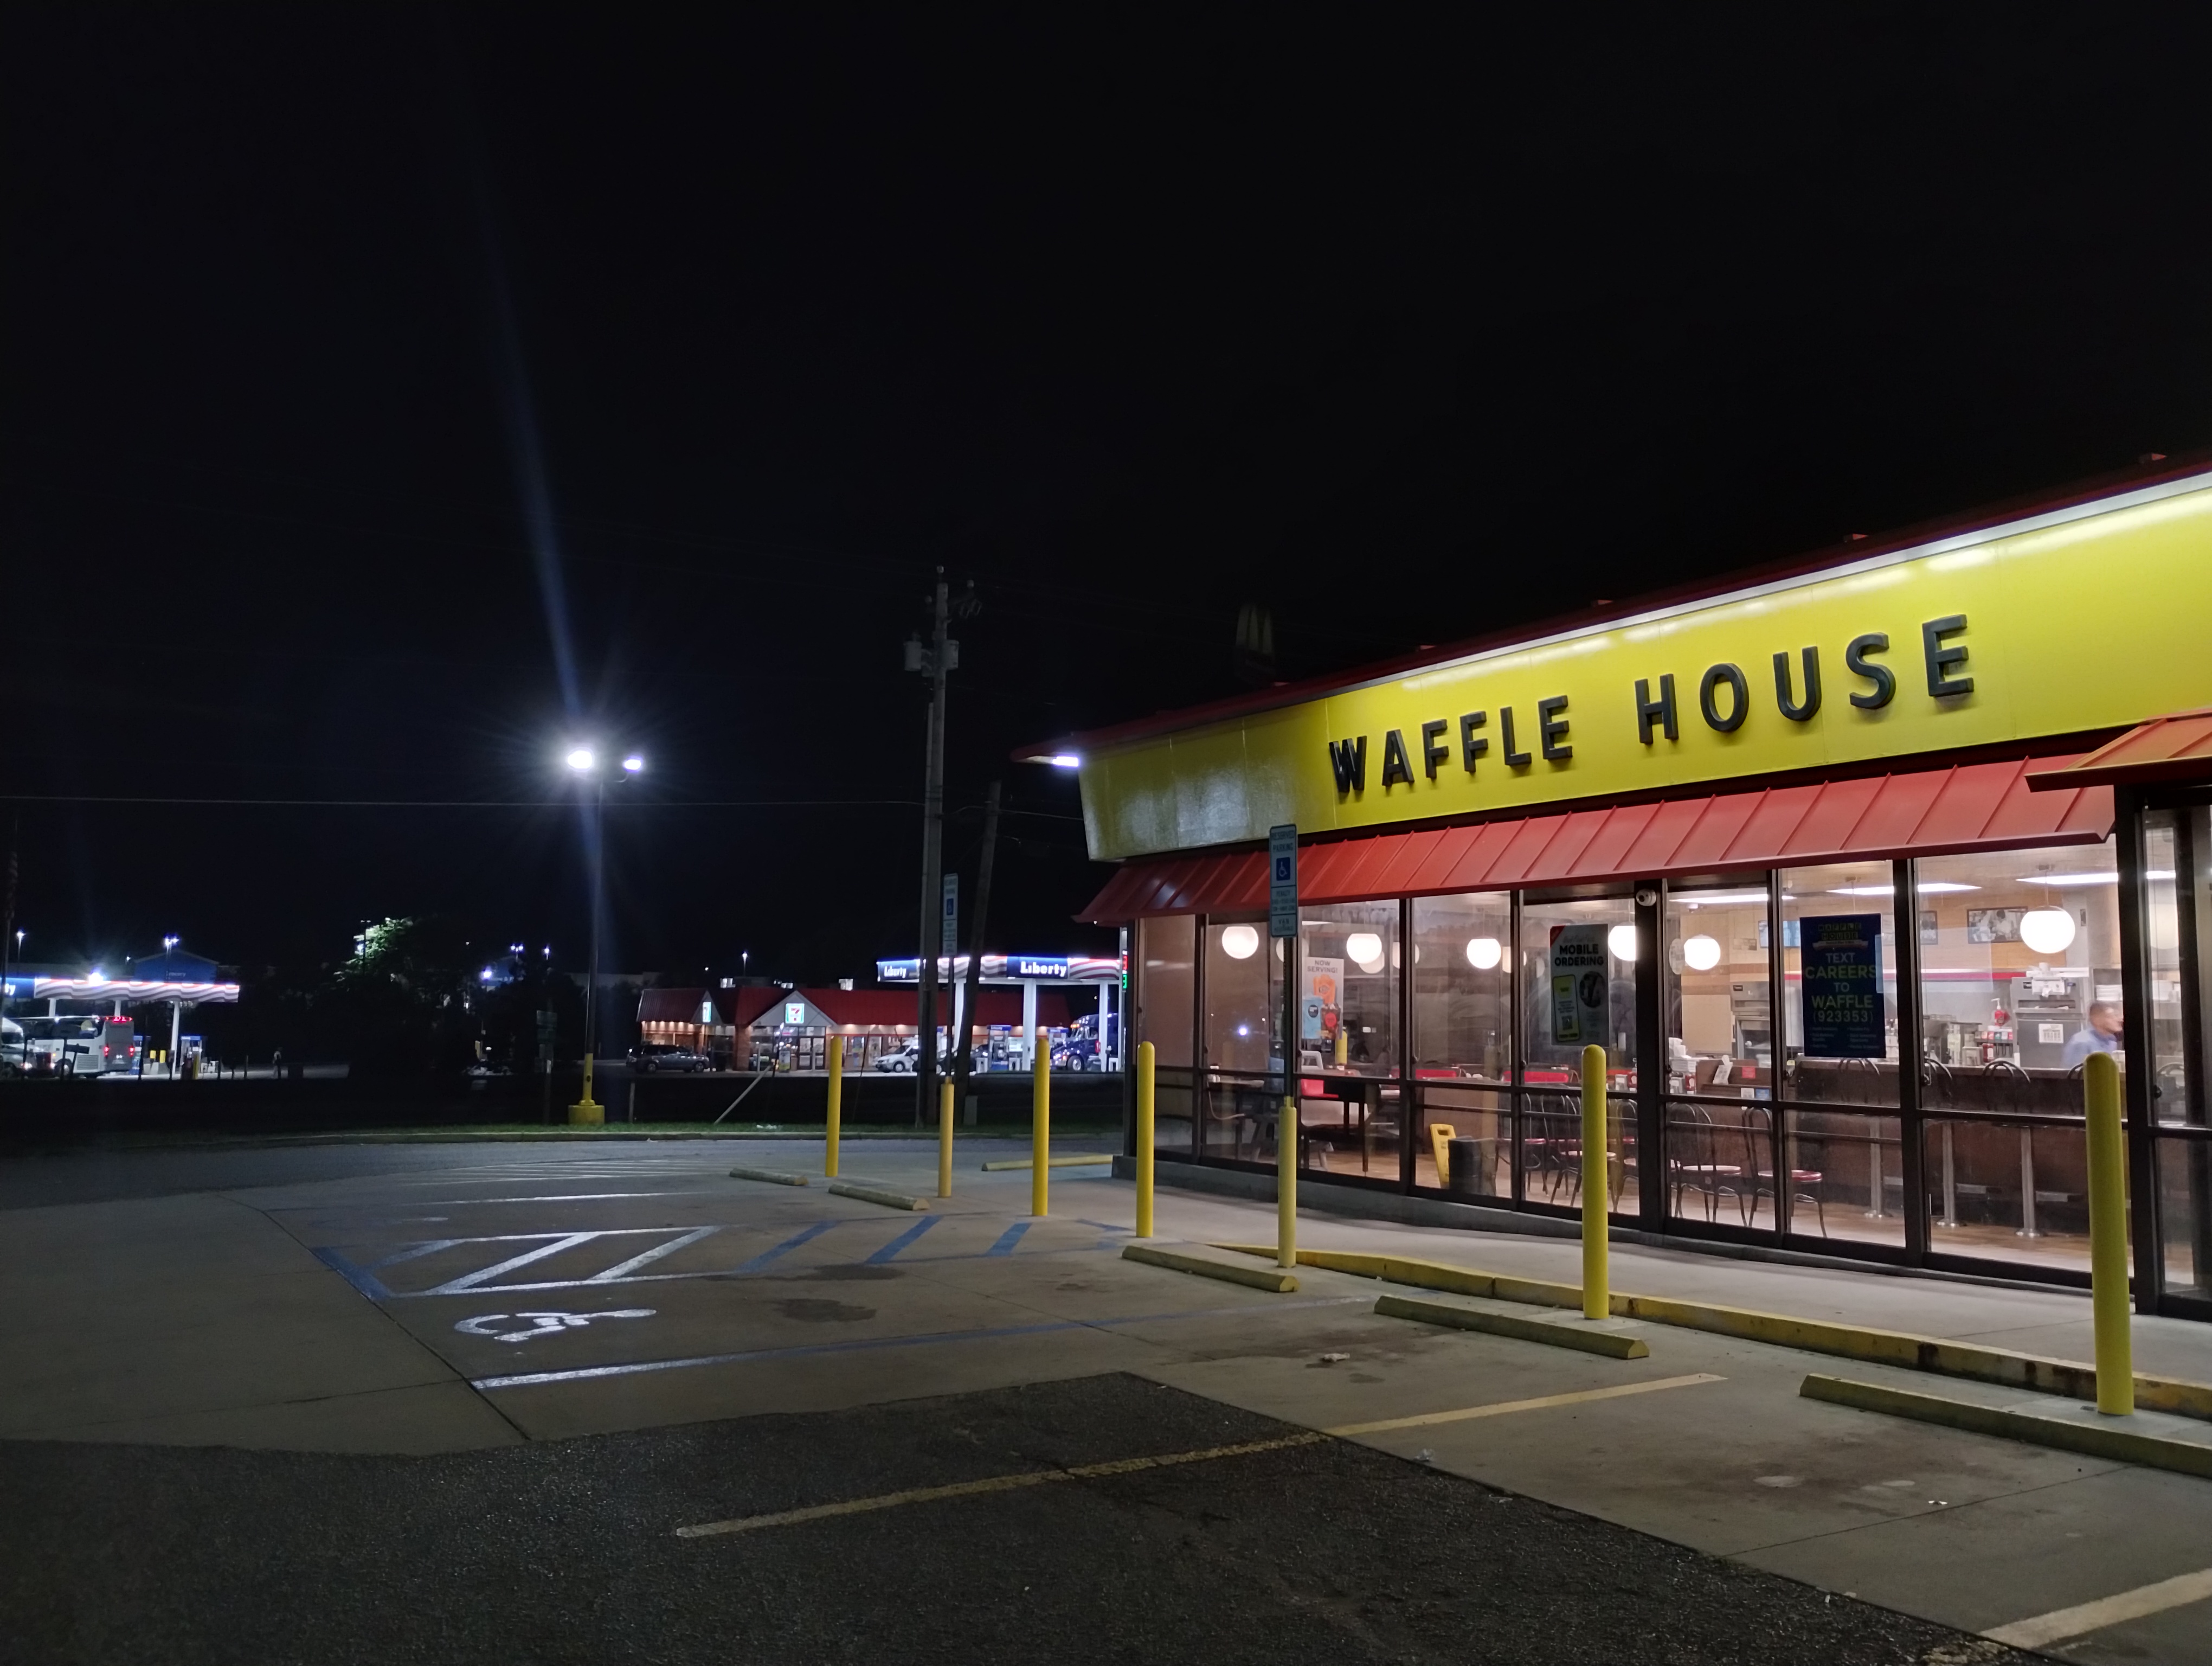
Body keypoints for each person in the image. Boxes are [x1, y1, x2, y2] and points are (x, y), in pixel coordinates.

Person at [2061, 1001, 2122, 1068]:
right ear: (2097, 1020)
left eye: (2116, 1015)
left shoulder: (2111, 1040)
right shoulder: (2082, 1042)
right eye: (2111, 1016)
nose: (2118, 1020)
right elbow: (2075, 1075)